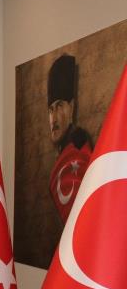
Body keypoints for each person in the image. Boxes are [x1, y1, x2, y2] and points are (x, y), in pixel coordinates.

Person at [47, 54, 94, 222]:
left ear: (72, 107)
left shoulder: (78, 144)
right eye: (51, 110)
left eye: (60, 106)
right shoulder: (62, 151)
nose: (54, 118)